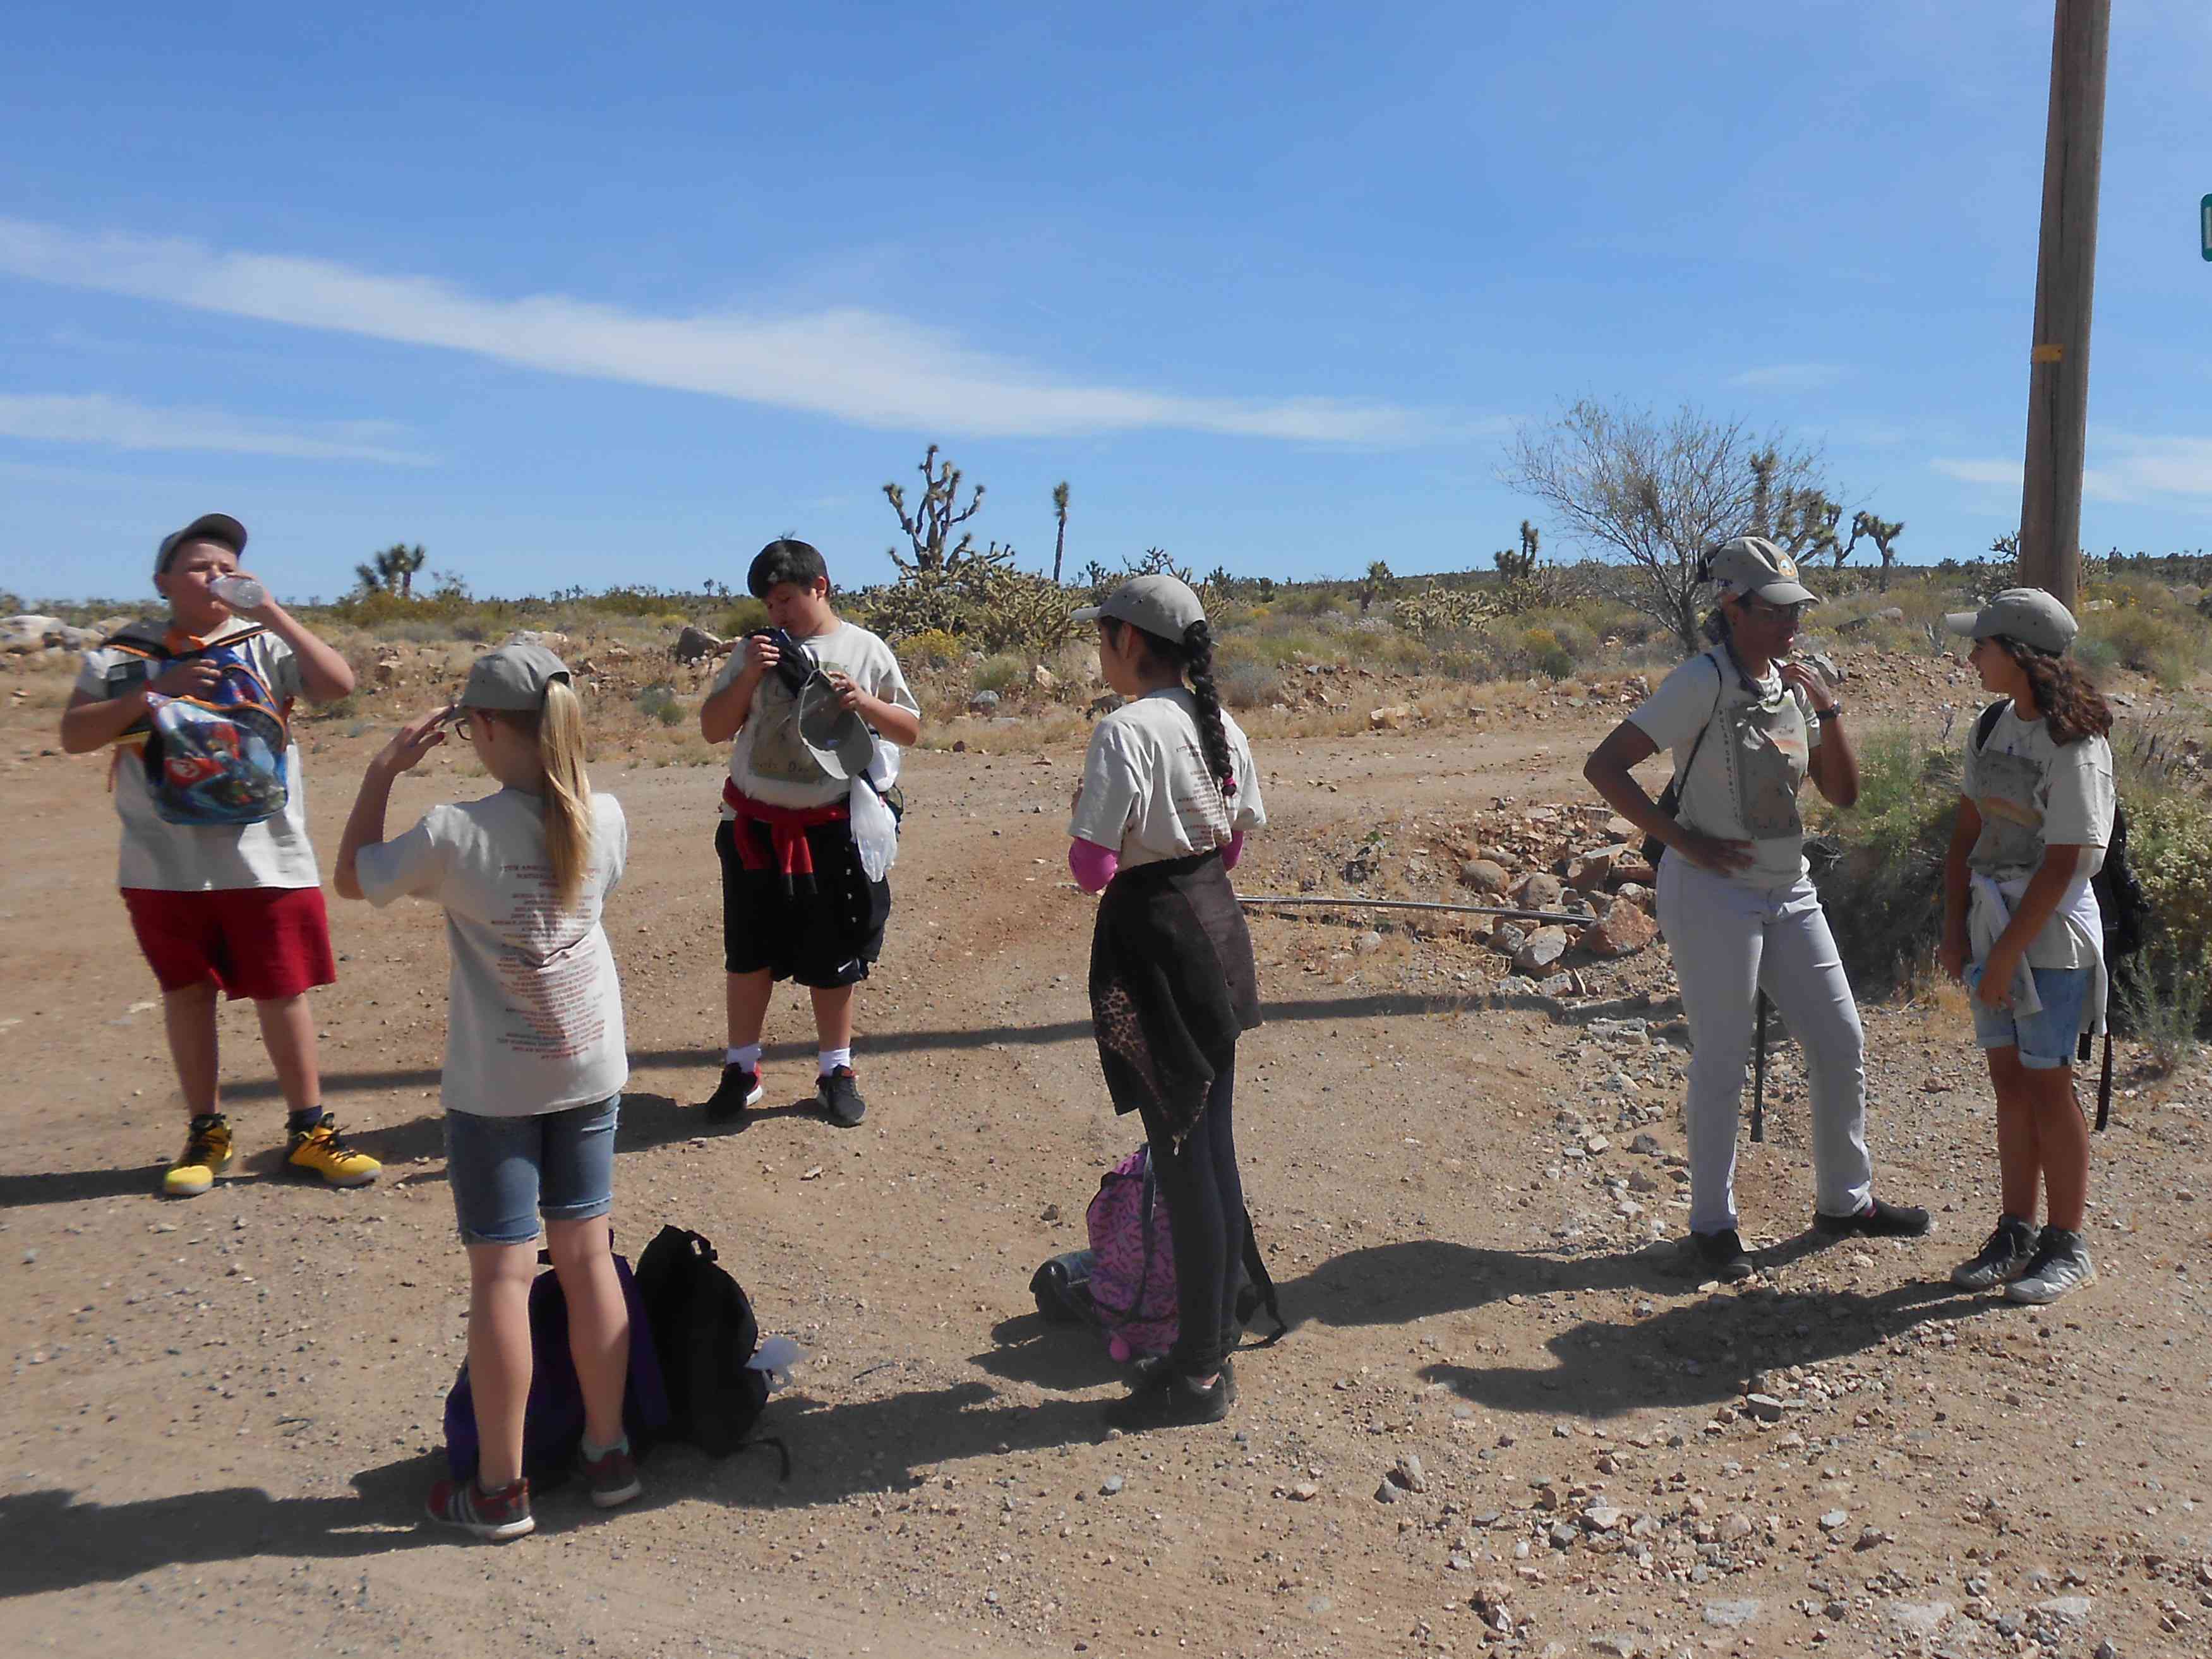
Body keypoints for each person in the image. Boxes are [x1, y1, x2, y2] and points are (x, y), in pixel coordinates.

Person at [335, 644, 637, 1540]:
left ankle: (501, 1488)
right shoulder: (609, 816)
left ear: (490, 727)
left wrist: (383, 768)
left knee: (503, 1272)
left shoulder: (451, 831)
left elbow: (355, 875)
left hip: (496, 1080)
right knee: (586, 1258)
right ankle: (609, 1449)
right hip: (587, 1063)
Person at [1582, 536, 1927, 1281]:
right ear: (1732, 609)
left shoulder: (1795, 686)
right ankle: (1712, 1224)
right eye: (1774, 611)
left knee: (1839, 1038)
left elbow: (1842, 794)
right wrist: (1681, 843)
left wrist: (1830, 712)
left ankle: (1846, 1199)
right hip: (1711, 892)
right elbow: (1604, 766)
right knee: (1724, 1053)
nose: (1789, 624)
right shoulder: (1698, 682)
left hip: (1786, 887)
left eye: (1795, 609)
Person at [59, 513, 380, 1199]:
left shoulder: (264, 642)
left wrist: (272, 611)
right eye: (202, 565)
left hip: (265, 855)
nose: (217, 575)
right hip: (162, 861)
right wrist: (155, 694)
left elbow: (337, 684)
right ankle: (207, 1132)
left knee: (281, 989)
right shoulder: (121, 654)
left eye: (227, 565)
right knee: (187, 990)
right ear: (163, 581)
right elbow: (74, 734)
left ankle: (308, 1131)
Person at [1067, 575, 1267, 1430]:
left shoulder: (1125, 731)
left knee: (1184, 1165)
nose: (1099, 650)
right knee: (1208, 1149)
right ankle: (1210, 1338)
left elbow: (1092, 866)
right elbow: (1234, 840)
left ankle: (1196, 1374)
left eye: (1102, 636)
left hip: (1155, 949)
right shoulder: (1218, 722)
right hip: (1215, 938)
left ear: (1128, 643)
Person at [697, 538, 921, 1129]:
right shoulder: (754, 652)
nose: (777, 614)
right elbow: (713, 729)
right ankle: (742, 1070)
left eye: (786, 599)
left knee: (834, 956)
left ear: (820, 586)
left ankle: (835, 1070)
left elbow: (912, 729)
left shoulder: (864, 649)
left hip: (830, 830)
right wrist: (746, 675)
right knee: (748, 954)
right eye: (768, 604)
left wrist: (863, 701)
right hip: (753, 827)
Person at [1937, 589, 2112, 1305]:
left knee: (2047, 1083)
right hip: (1993, 924)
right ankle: (2014, 1229)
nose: (1971, 656)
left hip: (2050, 934)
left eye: (1980, 645)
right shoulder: (1990, 726)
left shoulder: (2076, 743)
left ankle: (2066, 1241)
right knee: (2009, 1082)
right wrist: (1953, 927)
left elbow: (2066, 859)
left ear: (2017, 652)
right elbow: (1966, 833)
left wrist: (2006, 951)